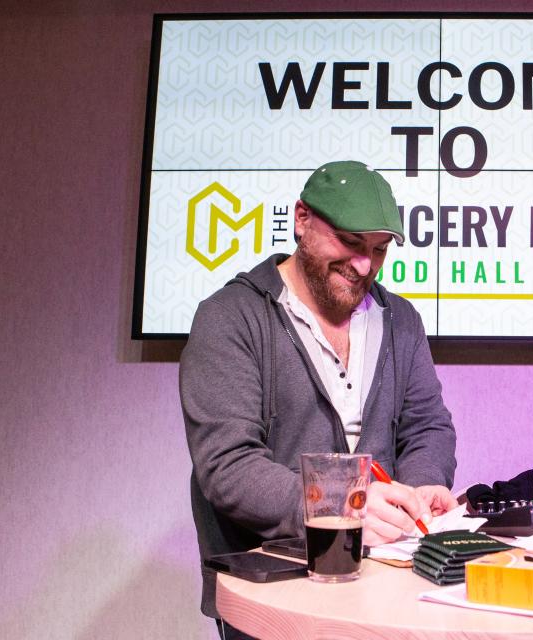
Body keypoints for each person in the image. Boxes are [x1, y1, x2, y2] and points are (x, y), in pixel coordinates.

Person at [180, 160, 457, 637]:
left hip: (383, 590)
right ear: (302, 219)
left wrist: (420, 489)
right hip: (277, 597)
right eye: (350, 243)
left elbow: (428, 426)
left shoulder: (401, 320)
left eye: (379, 249)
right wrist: (346, 508)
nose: (365, 264)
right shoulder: (230, 318)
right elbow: (228, 467)